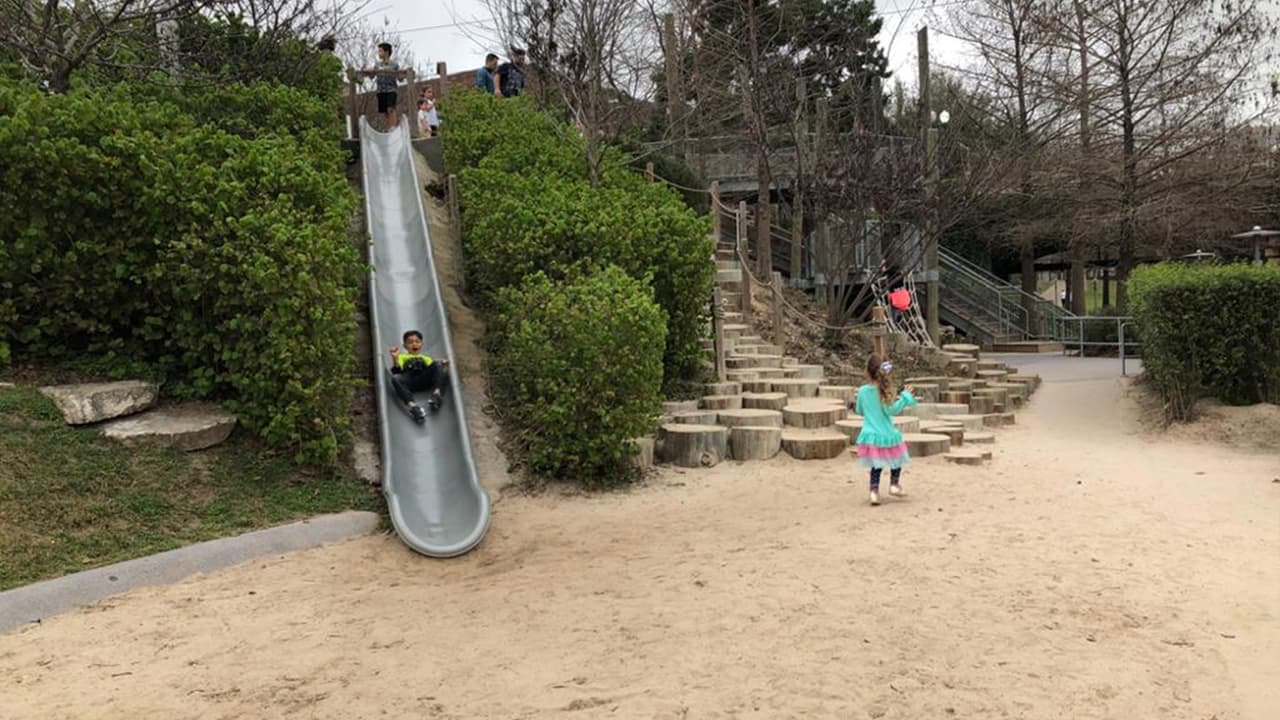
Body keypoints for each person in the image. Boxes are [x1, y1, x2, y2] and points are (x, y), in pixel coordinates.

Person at [851, 355, 917, 506]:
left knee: (876, 465)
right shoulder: (884, 391)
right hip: (886, 432)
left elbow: (860, 410)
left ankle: (874, 492)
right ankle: (894, 484)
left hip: (871, 434)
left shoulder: (862, 391)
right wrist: (905, 397)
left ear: (867, 371)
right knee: (897, 458)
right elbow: (892, 410)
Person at [388, 330, 449, 424]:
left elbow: (434, 369)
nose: (414, 344)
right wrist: (395, 358)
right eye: (410, 342)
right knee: (396, 378)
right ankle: (413, 407)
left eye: (417, 342)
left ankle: (437, 395)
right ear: (405, 346)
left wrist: (442, 363)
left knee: (439, 365)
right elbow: (397, 369)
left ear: (421, 344)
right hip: (409, 381)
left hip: (424, 379)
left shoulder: (426, 358)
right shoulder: (402, 357)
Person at [363, 42, 400, 131]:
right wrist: (368, 71)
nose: (379, 53)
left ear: (386, 52)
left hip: (391, 89)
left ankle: (393, 127)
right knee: (385, 111)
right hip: (381, 90)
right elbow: (372, 76)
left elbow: (400, 77)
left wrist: (404, 72)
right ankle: (388, 128)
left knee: (390, 108)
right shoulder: (377, 65)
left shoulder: (394, 65)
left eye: (380, 51)